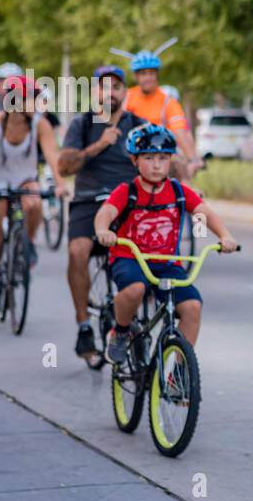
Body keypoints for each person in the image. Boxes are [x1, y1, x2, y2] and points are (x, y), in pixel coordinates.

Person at [94, 124, 236, 365]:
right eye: (149, 158)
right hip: (130, 257)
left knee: (191, 307)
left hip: (166, 261)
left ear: (171, 160)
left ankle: (180, 373)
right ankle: (119, 331)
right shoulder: (126, 191)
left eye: (163, 158)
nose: (157, 164)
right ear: (135, 161)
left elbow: (204, 213)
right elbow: (105, 212)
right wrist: (103, 230)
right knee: (135, 289)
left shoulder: (179, 191)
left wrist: (225, 236)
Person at [59, 65, 144, 361]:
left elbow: (163, 162)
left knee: (151, 257)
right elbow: (63, 167)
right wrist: (99, 145)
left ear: (125, 92)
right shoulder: (82, 124)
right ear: (94, 92)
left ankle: (134, 324)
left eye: (117, 87)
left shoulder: (140, 126)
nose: (110, 93)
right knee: (78, 250)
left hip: (129, 202)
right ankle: (84, 325)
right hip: (88, 200)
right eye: (104, 87)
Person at [0, 75, 67, 310]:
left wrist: (61, 183)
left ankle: (28, 243)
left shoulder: (39, 124)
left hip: (24, 179)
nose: (35, 104)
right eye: (29, 99)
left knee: (33, 204)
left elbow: (52, 156)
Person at [124, 52, 202, 179]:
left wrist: (193, 159)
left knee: (178, 165)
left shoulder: (168, 101)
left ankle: (188, 196)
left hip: (157, 154)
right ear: (136, 76)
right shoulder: (126, 97)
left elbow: (180, 131)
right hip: (128, 155)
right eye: (143, 73)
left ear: (157, 74)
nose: (147, 77)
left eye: (151, 73)